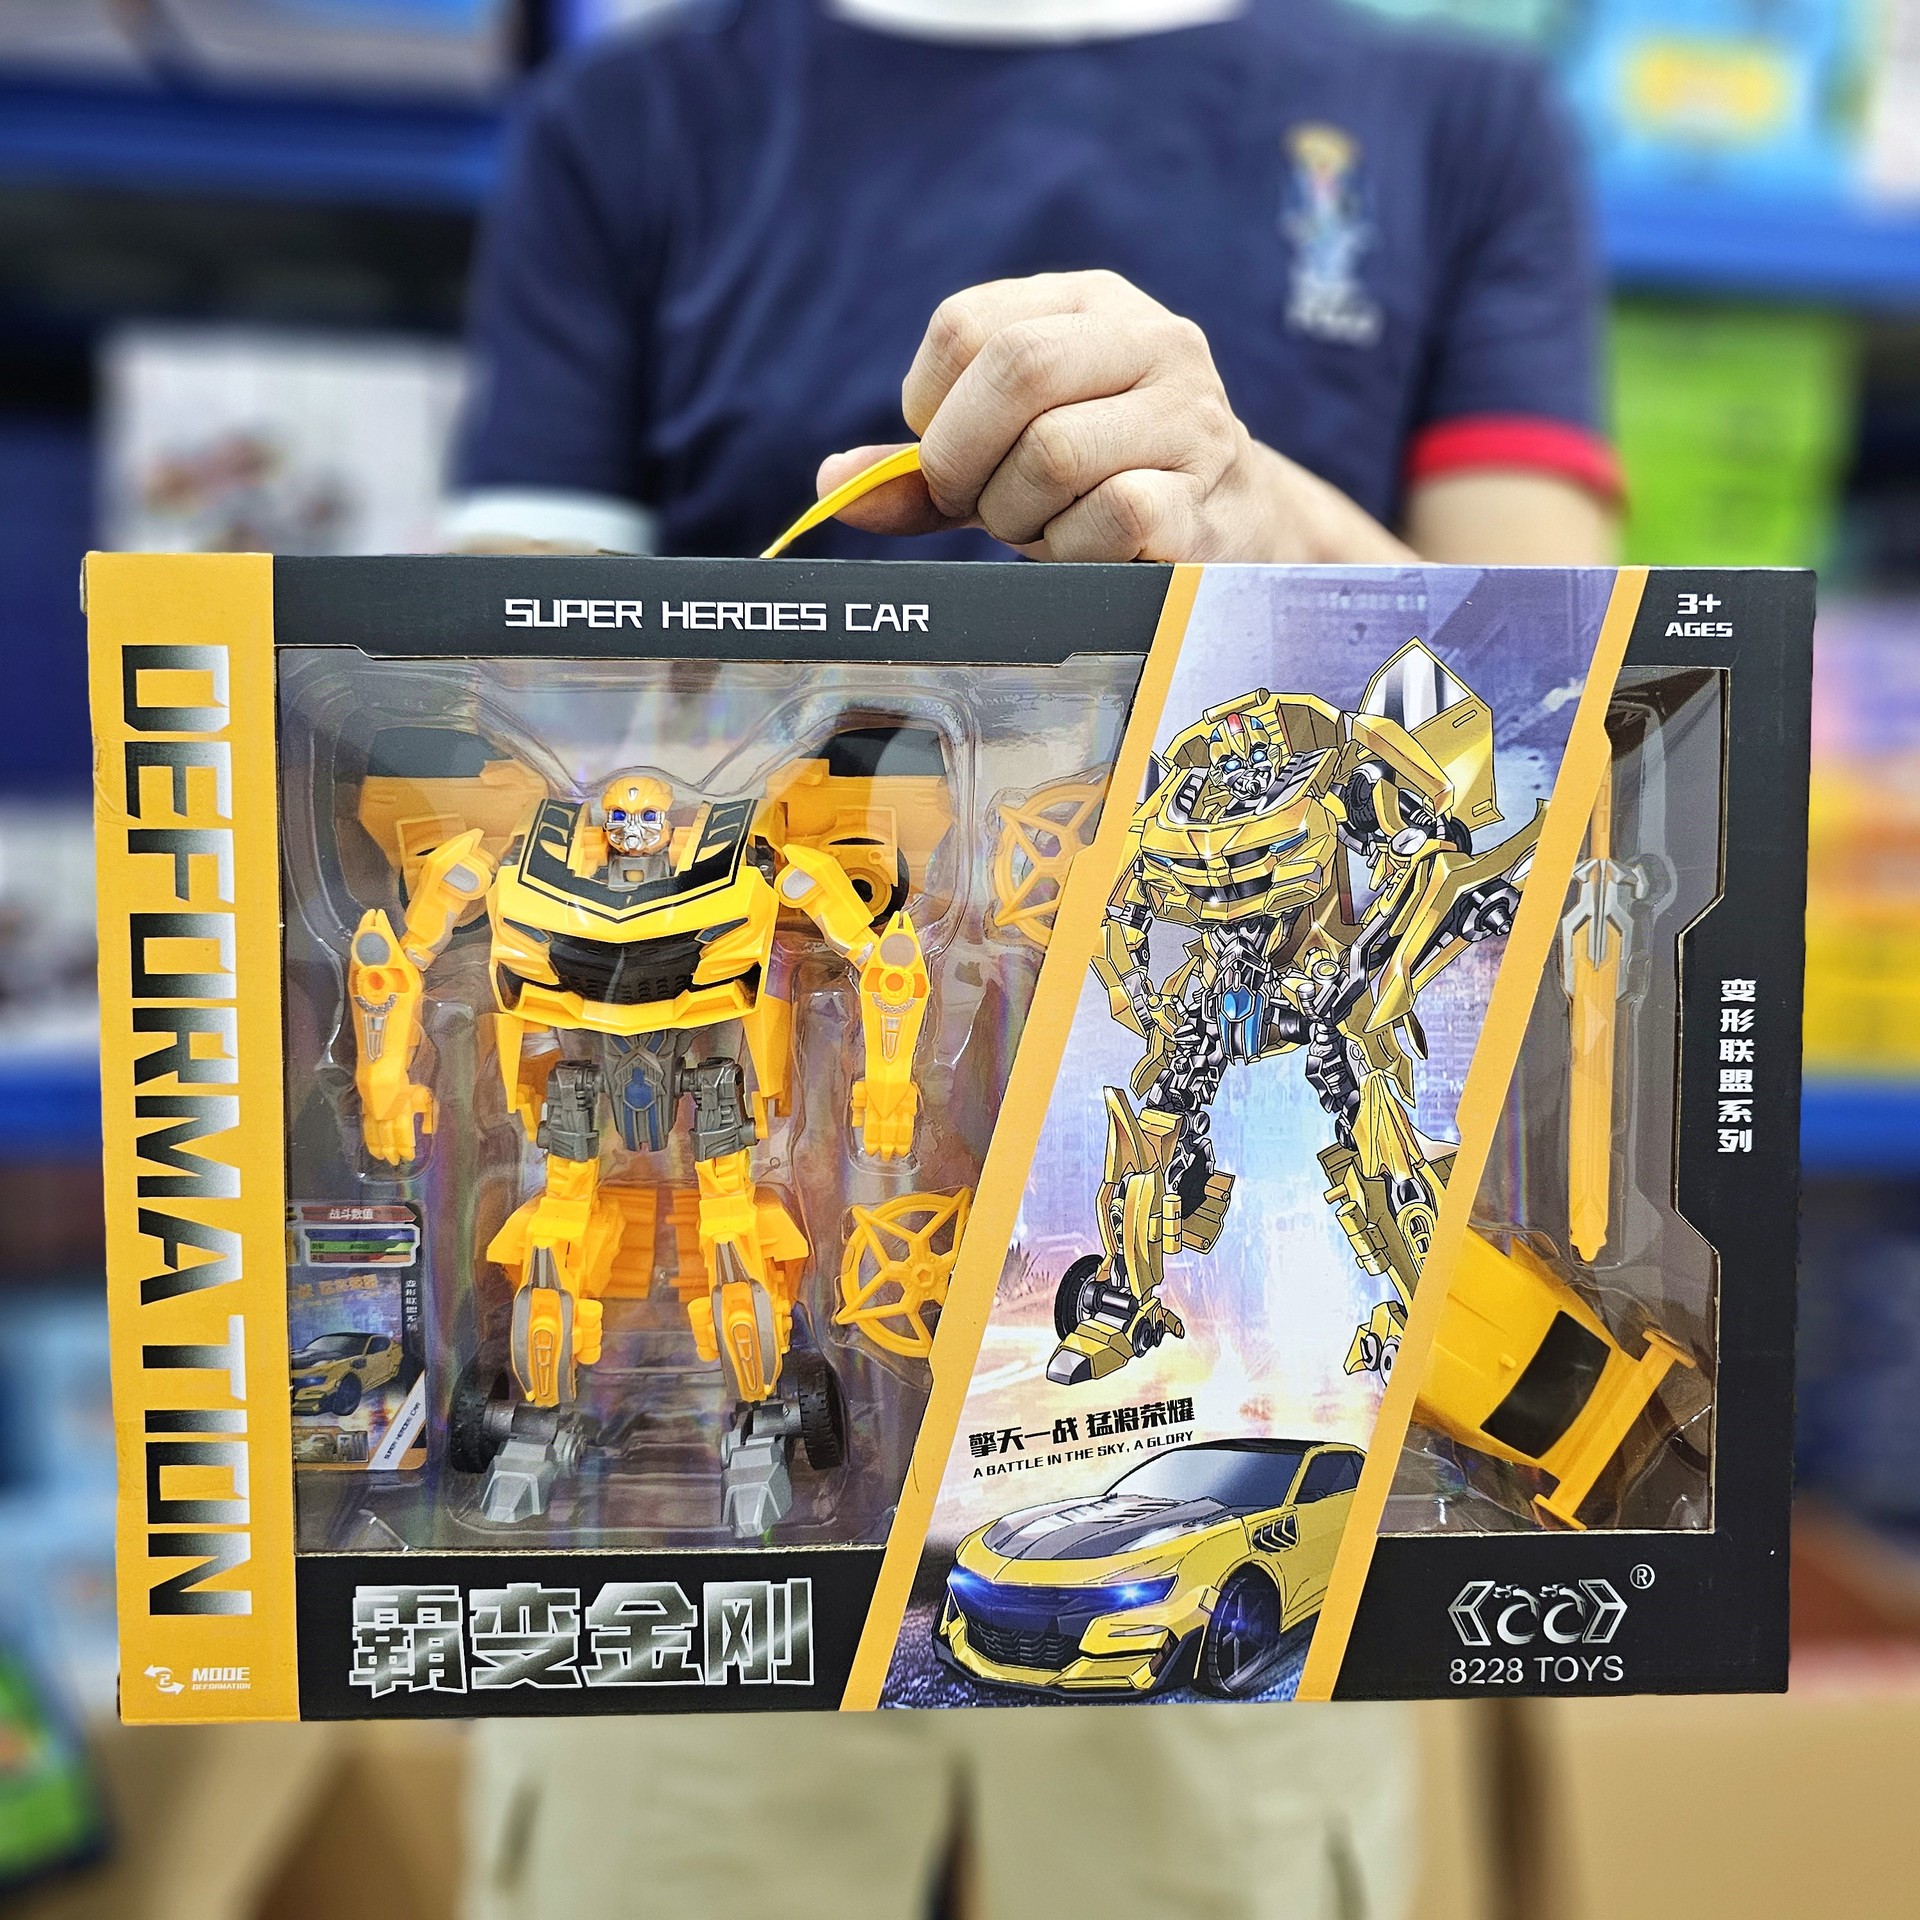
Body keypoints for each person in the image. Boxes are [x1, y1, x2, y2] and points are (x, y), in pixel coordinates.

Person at [448, 5, 1617, 1918]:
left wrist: (1252, 513)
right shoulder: (639, 117)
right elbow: (491, 699)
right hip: (727, 1437)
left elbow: (1566, 705)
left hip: (1237, 1404)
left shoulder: (1457, 124)